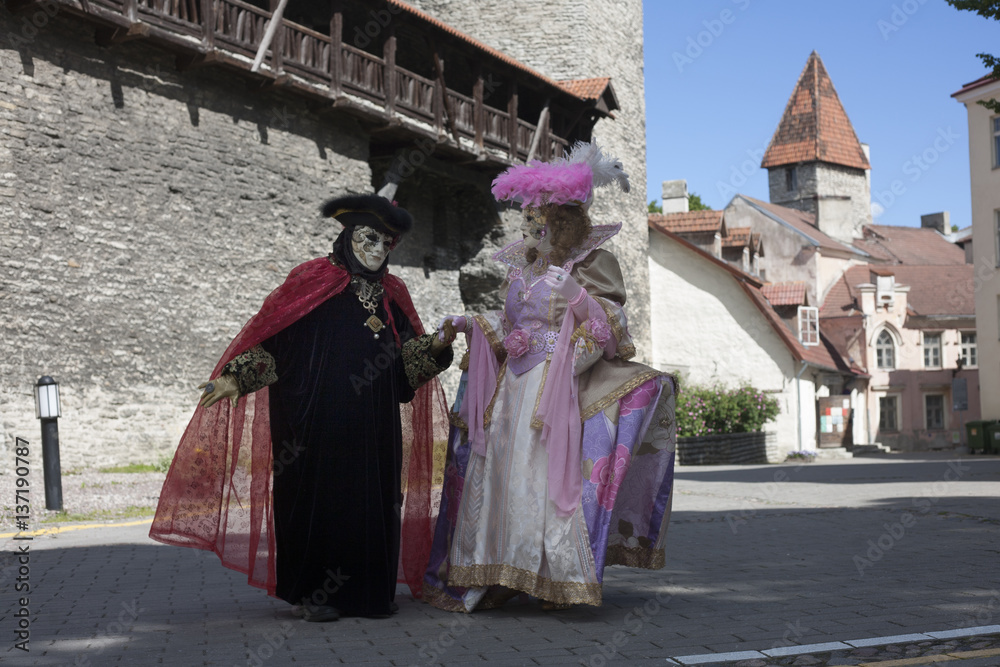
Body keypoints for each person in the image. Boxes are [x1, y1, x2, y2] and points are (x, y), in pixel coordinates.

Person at [150, 194, 454, 621]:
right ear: (349, 234)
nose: (376, 249)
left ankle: (369, 593)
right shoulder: (312, 281)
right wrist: (234, 378)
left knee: (375, 502)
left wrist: (438, 346)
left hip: (374, 430)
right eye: (369, 237)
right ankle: (317, 595)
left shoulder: (392, 294)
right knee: (321, 503)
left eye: (387, 243)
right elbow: (274, 345)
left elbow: (404, 368)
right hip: (314, 425)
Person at [423, 142, 677, 612]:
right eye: (530, 221)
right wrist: (472, 325)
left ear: (563, 224)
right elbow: (512, 326)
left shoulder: (592, 263)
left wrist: (577, 301)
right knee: (500, 474)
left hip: (557, 388)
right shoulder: (524, 272)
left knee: (542, 480)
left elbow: (609, 325)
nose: (533, 229)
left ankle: (548, 575)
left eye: (542, 221)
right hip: (512, 390)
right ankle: (496, 570)